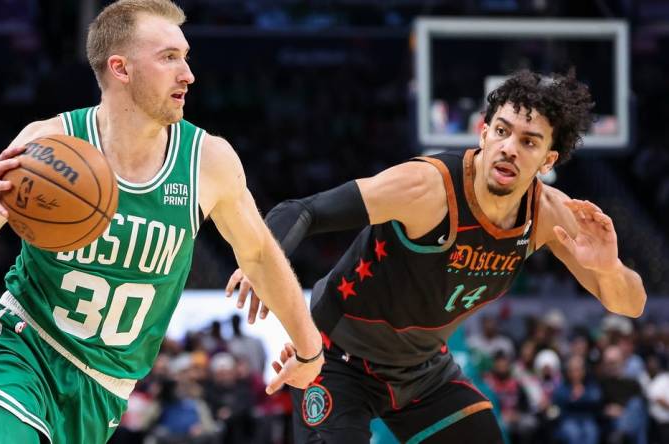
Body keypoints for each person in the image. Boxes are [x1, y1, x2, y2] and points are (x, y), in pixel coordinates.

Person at [0, 1, 323, 443]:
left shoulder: (207, 161)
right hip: (21, 349)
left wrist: (310, 351)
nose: (187, 74)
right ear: (121, 68)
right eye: (169, 57)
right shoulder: (49, 145)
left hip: (105, 389)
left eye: (185, 57)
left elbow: (260, 254)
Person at [227, 69, 647, 443]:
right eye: (501, 131)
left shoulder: (548, 215)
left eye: (528, 141)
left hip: (423, 371)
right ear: (483, 132)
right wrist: (258, 261)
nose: (509, 148)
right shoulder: (427, 189)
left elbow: (630, 304)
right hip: (337, 361)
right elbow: (301, 210)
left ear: (548, 159)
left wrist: (608, 268)